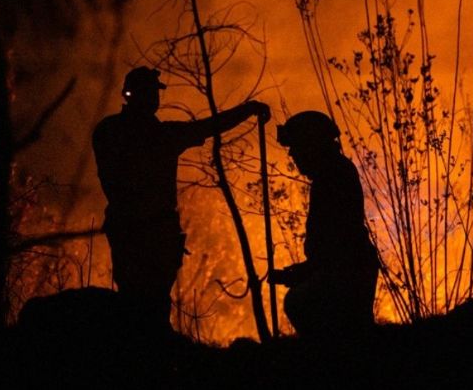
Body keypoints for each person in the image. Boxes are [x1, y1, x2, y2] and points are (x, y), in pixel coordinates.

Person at [93, 66, 269, 330]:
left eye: (155, 92)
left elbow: (208, 127)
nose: (154, 98)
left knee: (136, 299)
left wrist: (247, 110)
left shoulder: (109, 131)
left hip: (132, 228)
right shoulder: (159, 136)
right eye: (150, 92)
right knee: (149, 301)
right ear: (132, 94)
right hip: (149, 230)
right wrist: (248, 110)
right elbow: (209, 127)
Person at [269, 111, 379, 337]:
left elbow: (338, 243)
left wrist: (307, 272)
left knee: (301, 303)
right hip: (350, 267)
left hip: (348, 270)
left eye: (297, 147)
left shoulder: (333, 178)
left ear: (312, 145)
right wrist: (305, 270)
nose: (292, 155)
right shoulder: (332, 175)